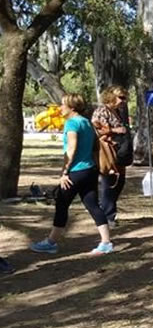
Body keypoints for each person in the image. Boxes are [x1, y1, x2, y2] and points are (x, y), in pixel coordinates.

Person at [30, 93, 114, 255]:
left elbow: (71, 149)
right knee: (93, 205)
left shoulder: (72, 124)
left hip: (76, 171)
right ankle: (106, 242)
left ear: (72, 107)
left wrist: (65, 172)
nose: (60, 108)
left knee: (61, 204)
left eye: (62, 105)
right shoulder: (86, 123)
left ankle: (51, 242)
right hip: (90, 170)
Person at [92, 87, 128, 228]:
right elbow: (96, 129)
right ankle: (108, 216)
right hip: (107, 151)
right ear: (110, 96)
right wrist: (114, 130)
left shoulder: (118, 112)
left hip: (119, 151)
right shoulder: (101, 111)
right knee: (109, 183)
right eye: (120, 97)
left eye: (124, 97)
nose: (123, 101)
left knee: (119, 182)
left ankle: (107, 211)